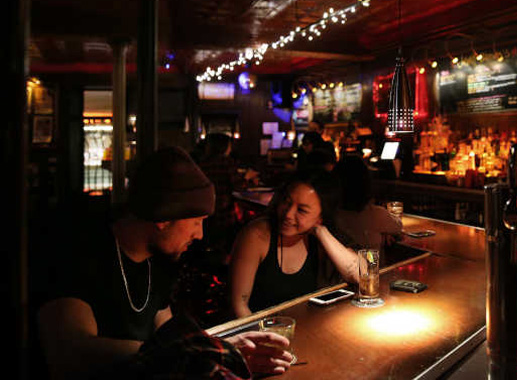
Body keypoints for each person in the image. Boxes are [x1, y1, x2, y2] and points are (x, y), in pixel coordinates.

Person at [37, 146, 293, 380]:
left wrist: (222, 346)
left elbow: (168, 336)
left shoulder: (159, 260)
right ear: (164, 217)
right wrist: (200, 349)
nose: (200, 234)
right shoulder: (82, 251)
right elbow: (70, 352)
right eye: (196, 222)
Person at [229, 169, 359, 318]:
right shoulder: (257, 235)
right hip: (261, 329)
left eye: (301, 210)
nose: (288, 214)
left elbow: (362, 276)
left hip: (308, 326)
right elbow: (239, 306)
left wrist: (321, 231)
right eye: (286, 201)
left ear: (321, 216)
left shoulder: (320, 238)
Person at [333, 155, 403, 253]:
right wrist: (383, 233)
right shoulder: (376, 214)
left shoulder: (330, 215)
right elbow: (398, 226)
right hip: (370, 263)